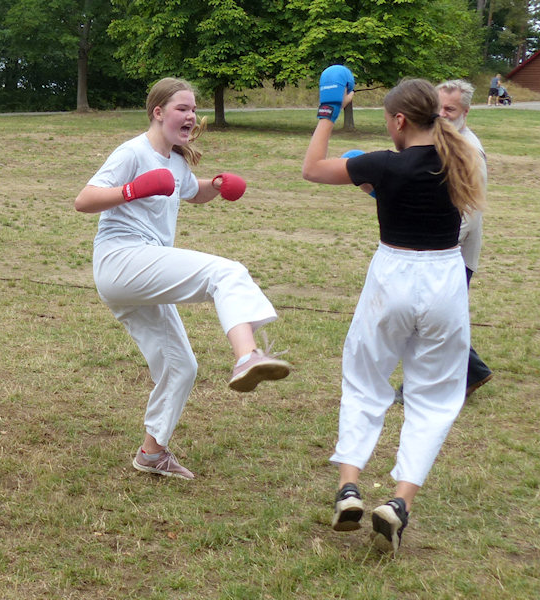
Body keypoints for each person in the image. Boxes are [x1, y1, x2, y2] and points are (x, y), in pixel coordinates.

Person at [302, 71, 484, 553]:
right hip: (445, 278)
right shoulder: (462, 158)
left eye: (387, 120)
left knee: (364, 379)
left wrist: (329, 111)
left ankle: (349, 488)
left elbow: (312, 169)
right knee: (435, 396)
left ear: (400, 120)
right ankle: (400, 502)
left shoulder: (383, 164)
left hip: (393, 274)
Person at [75, 77, 290, 481]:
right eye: (182, 108)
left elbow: (191, 191)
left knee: (182, 366)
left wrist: (217, 186)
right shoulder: (133, 152)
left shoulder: (175, 161)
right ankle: (248, 356)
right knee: (225, 272)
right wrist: (132, 189)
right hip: (121, 259)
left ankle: (151, 453)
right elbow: (83, 200)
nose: (191, 115)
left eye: (193, 109)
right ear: (158, 113)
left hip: (143, 270)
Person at [437, 79, 494, 397]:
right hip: (438, 250)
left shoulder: (469, 152)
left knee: (438, 319)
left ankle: (468, 374)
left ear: (466, 112)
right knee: (437, 318)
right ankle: (471, 373)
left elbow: (470, 212)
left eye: (450, 109)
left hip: (453, 253)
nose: (442, 114)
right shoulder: (440, 142)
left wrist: (440, 246)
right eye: (438, 107)